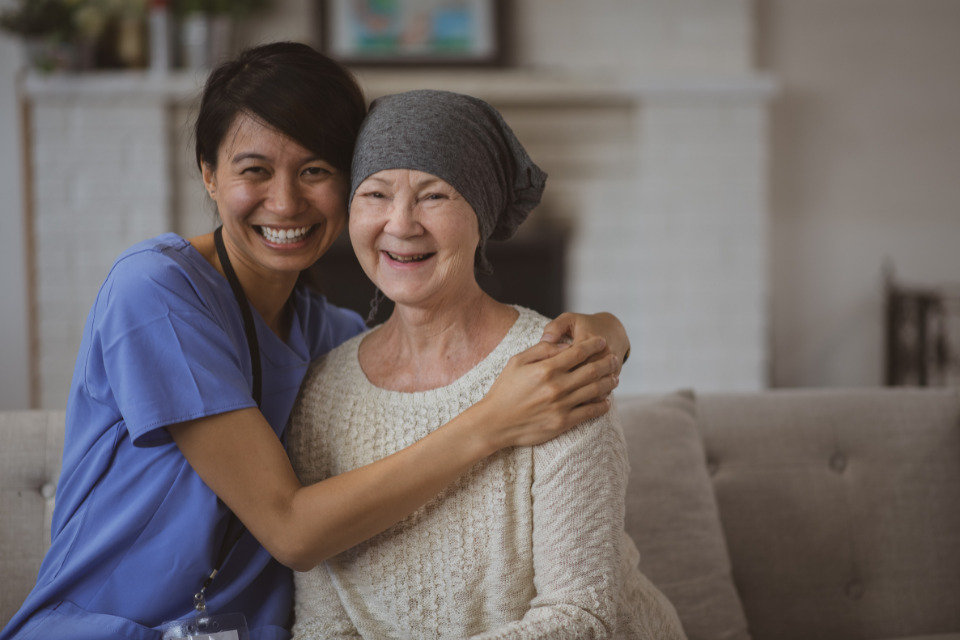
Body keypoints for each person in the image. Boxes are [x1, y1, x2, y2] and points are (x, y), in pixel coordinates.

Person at [0, 44, 632, 640]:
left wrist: (606, 333)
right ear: (209, 175)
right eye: (255, 170)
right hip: (107, 625)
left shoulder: (332, 341)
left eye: (315, 170)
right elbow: (292, 530)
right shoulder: (156, 291)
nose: (286, 201)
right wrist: (492, 422)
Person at [288, 90, 685, 639]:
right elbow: (322, 625)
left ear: (481, 215)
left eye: (434, 196)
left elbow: (581, 618)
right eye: (375, 194)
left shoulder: (552, 372)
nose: (400, 224)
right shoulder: (321, 394)